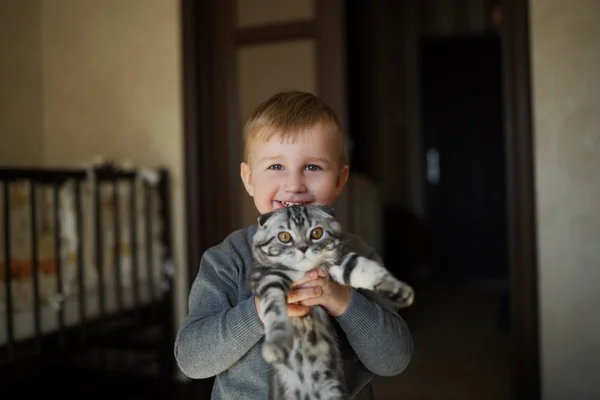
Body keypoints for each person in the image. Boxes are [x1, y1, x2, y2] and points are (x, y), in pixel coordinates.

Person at [174, 90, 413, 399]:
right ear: (249, 178)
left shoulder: (357, 255)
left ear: (340, 180)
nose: (294, 184)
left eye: (312, 167)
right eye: (276, 167)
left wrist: (343, 300)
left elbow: (394, 360)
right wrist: (260, 311)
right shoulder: (226, 260)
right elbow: (191, 361)